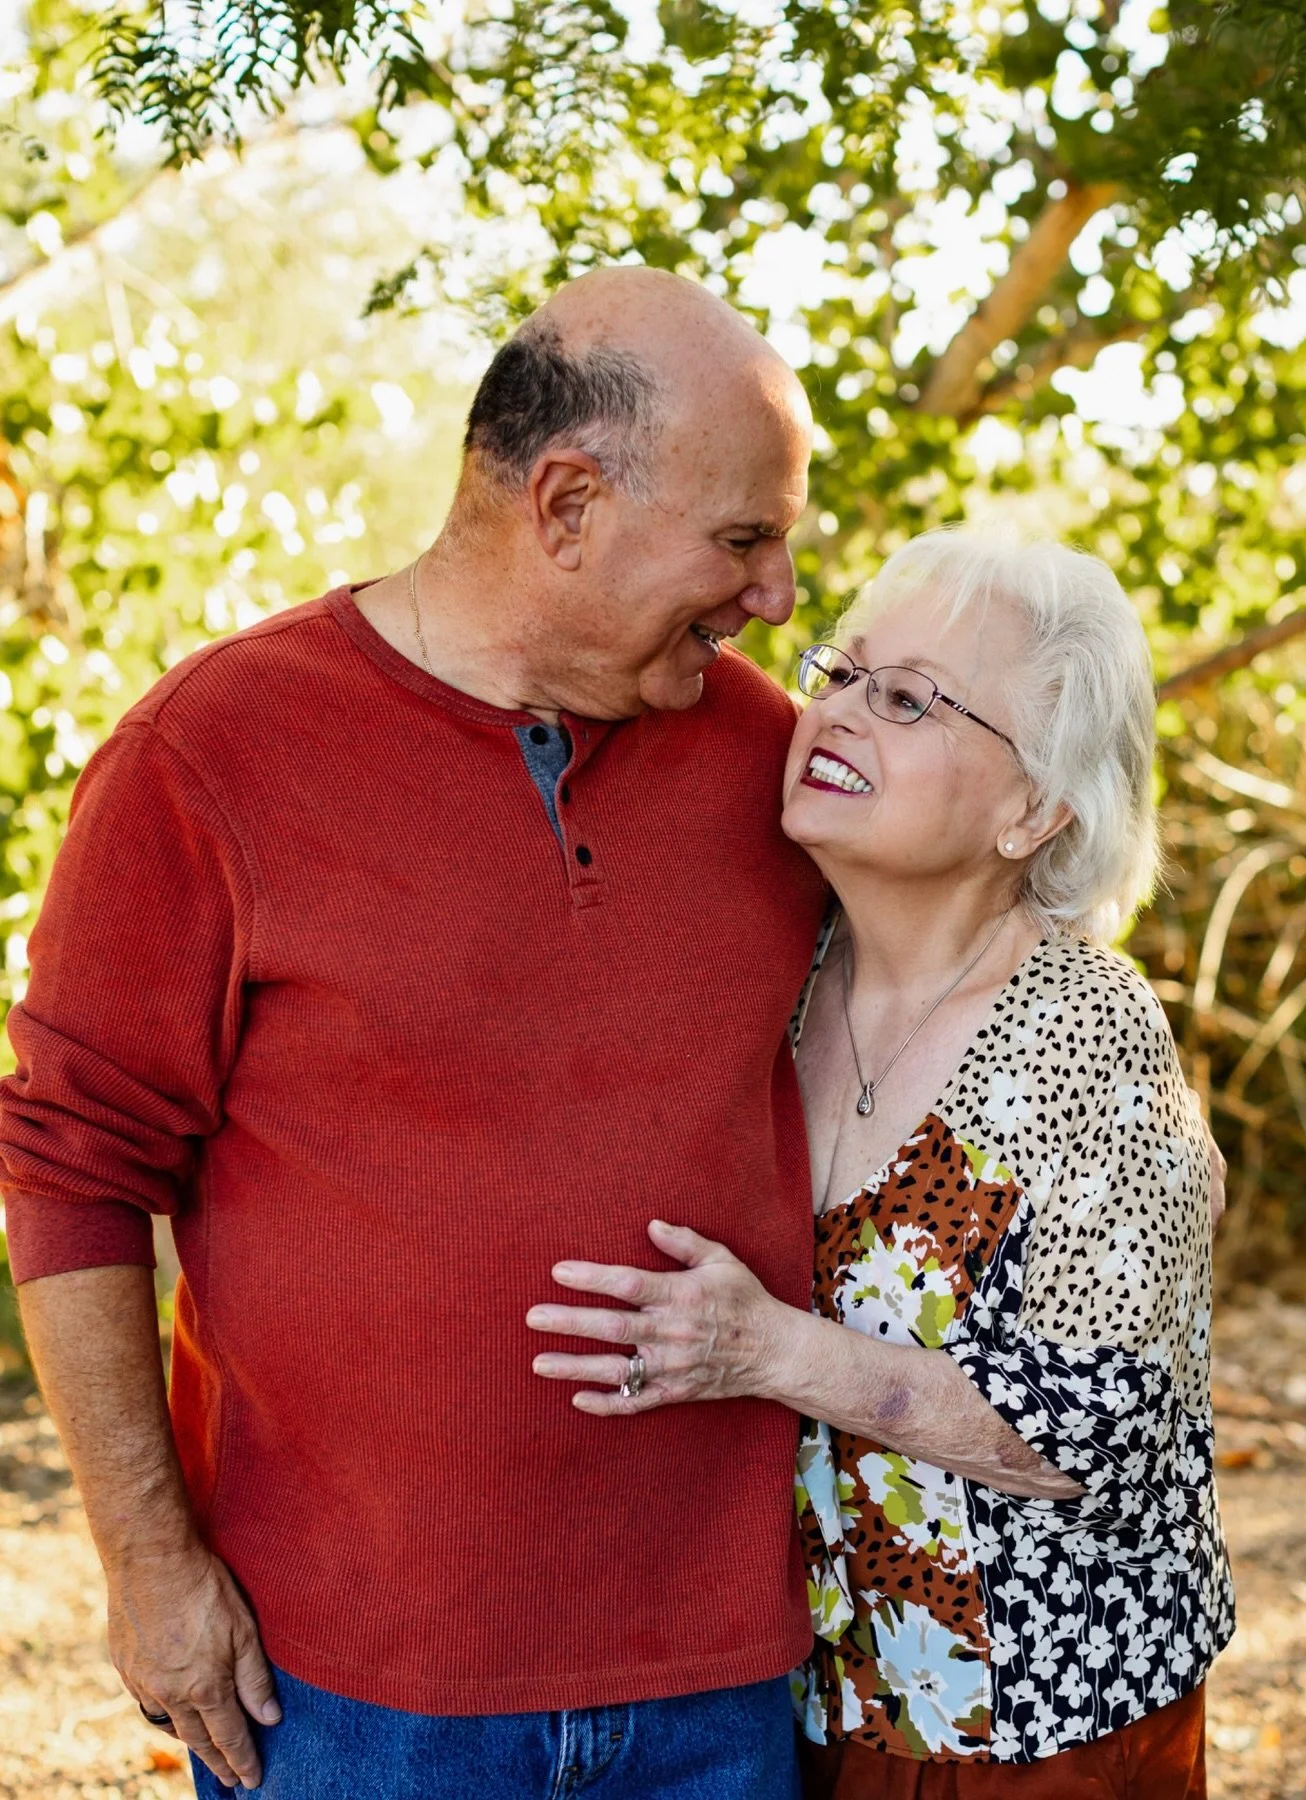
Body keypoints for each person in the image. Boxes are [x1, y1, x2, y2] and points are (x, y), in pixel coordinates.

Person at [0, 268, 828, 1797]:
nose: (775, 596)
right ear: (567, 503)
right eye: (743, 540)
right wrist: (148, 1565)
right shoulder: (213, 757)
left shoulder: (781, 768)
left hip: (726, 1676)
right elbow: (69, 1171)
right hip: (346, 1692)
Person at [527, 529, 1236, 1798]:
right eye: (841, 673)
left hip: (1037, 1724)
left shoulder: (1086, 1030)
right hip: (821, 1695)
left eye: (908, 699)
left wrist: (762, 1349)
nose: (838, 715)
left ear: (1036, 807)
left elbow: (1099, 1429)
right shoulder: (788, 978)